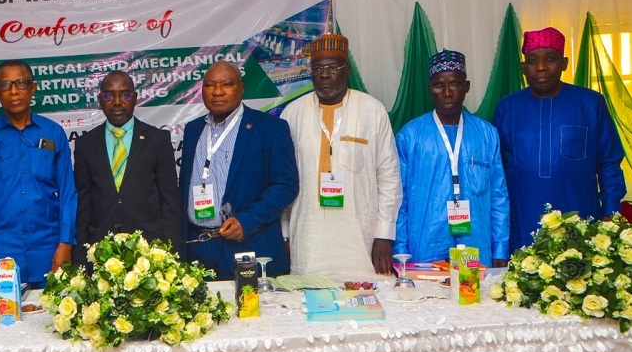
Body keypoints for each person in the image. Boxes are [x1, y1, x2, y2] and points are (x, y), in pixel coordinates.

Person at [494, 27, 626, 251]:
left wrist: (610, 215)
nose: (541, 67)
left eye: (551, 59)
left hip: (580, 221)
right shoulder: (508, 107)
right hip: (523, 223)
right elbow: (496, 171)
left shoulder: (590, 103)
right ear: (523, 68)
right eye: (533, 60)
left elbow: (609, 163)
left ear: (564, 63)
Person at [282, 33, 401, 277]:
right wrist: (284, 234)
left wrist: (384, 236)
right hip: (307, 239)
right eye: (318, 68)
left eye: (332, 68)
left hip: (359, 239)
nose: (324, 74)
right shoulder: (292, 114)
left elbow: (388, 178)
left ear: (347, 70)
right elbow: (283, 180)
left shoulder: (372, 110)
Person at [179, 61, 298, 279]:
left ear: (241, 88)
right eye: (210, 85)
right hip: (198, 250)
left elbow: (286, 185)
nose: (217, 92)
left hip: (250, 247)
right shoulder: (193, 130)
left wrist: (248, 220)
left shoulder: (270, 128)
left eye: (227, 84)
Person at [0, 60, 77, 286]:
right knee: (2, 320)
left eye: (21, 83)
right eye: (6, 85)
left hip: (48, 251)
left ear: (33, 88)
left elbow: (68, 194)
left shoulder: (53, 132)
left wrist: (65, 244)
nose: (14, 91)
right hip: (1, 254)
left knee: (52, 319)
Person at [394, 50, 510, 266]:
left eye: (455, 85)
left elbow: (498, 196)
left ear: (466, 87)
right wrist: (401, 251)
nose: (447, 93)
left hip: (477, 245)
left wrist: (500, 249)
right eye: (439, 86)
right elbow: (399, 200)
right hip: (425, 246)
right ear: (431, 90)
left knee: (472, 297)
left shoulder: (486, 134)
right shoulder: (410, 136)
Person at [73, 71, 181, 260]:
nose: (117, 102)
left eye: (125, 94)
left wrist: (172, 254)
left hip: (149, 250)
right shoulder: (86, 145)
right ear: (100, 99)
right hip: (100, 250)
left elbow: (170, 202)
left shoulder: (157, 140)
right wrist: (80, 256)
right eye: (108, 95)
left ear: (135, 98)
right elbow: (83, 204)